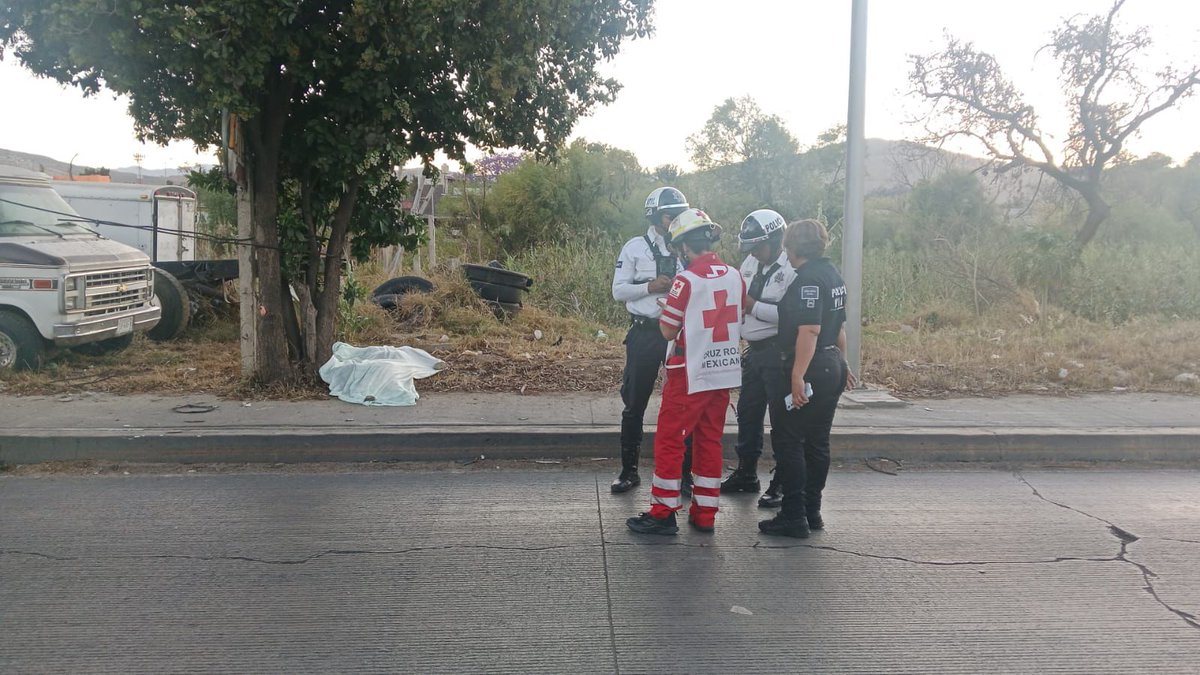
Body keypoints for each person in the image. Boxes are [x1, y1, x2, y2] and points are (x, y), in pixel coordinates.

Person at [627, 208, 744, 535]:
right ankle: (705, 514)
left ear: (682, 247)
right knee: (709, 441)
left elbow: (667, 331)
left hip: (689, 373)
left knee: (669, 441)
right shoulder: (735, 275)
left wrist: (669, 312)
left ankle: (663, 512)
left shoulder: (685, 280)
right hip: (723, 372)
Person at [758, 219, 857, 539]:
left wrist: (797, 375)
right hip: (831, 363)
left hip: (811, 365)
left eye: (786, 246)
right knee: (817, 441)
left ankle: (793, 515)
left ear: (793, 248)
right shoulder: (833, 275)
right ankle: (812, 511)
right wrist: (843, 363)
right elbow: (838, 326)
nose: (784, 252)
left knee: (790, 441)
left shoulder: (808, 281)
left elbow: (810, 330)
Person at [610, 187, 690, 493]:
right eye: (671, 214)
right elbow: (619, 291)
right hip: (645, 332)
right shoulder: (634, 248)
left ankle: (684, 474)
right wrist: (649, 286)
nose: (675, 219)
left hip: (678, 333)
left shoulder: (685, 247)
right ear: (658, 216)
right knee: (634, 403)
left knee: (683, 402)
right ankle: (629, 470)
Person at [721, 209, 796, 508]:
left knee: (781, 420)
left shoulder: (793, 269)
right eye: (750, 248)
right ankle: (746, 473)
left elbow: (791, 316)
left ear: (777, 239)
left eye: (759, 246)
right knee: (748, 414)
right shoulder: (751, 262)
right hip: (754, 352)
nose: (754, 253)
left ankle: (781, 481)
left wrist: (753, 307)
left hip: (779, 353)